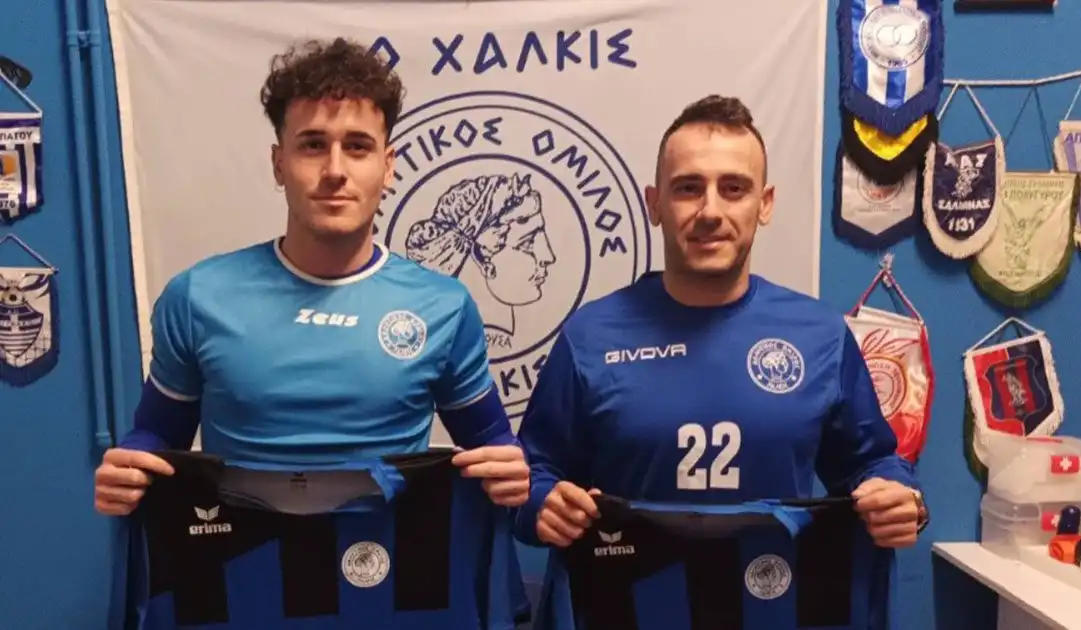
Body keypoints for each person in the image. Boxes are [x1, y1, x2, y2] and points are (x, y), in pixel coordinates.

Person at [93, 37, 529, 512]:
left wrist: (511, 472)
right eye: (313, 145)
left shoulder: (444, 306)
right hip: (243, 554)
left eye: (357, 147)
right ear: (279, 164)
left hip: (386, 556)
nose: (335, 170)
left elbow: (493, 446)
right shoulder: (198, 297)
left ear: (387, 167)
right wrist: (129, 468)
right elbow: (156, 437)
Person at [513, 94, 928, 549]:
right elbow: (534, 473)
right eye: (688, 188)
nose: (710, 212)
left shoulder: (821, 335)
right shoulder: (590, 337)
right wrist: (539, 505)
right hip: (629, 589)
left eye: (734, 189)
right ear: (654, 204)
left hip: (771, 587)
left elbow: (871, 465)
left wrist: (899, 495)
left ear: (764, 204)